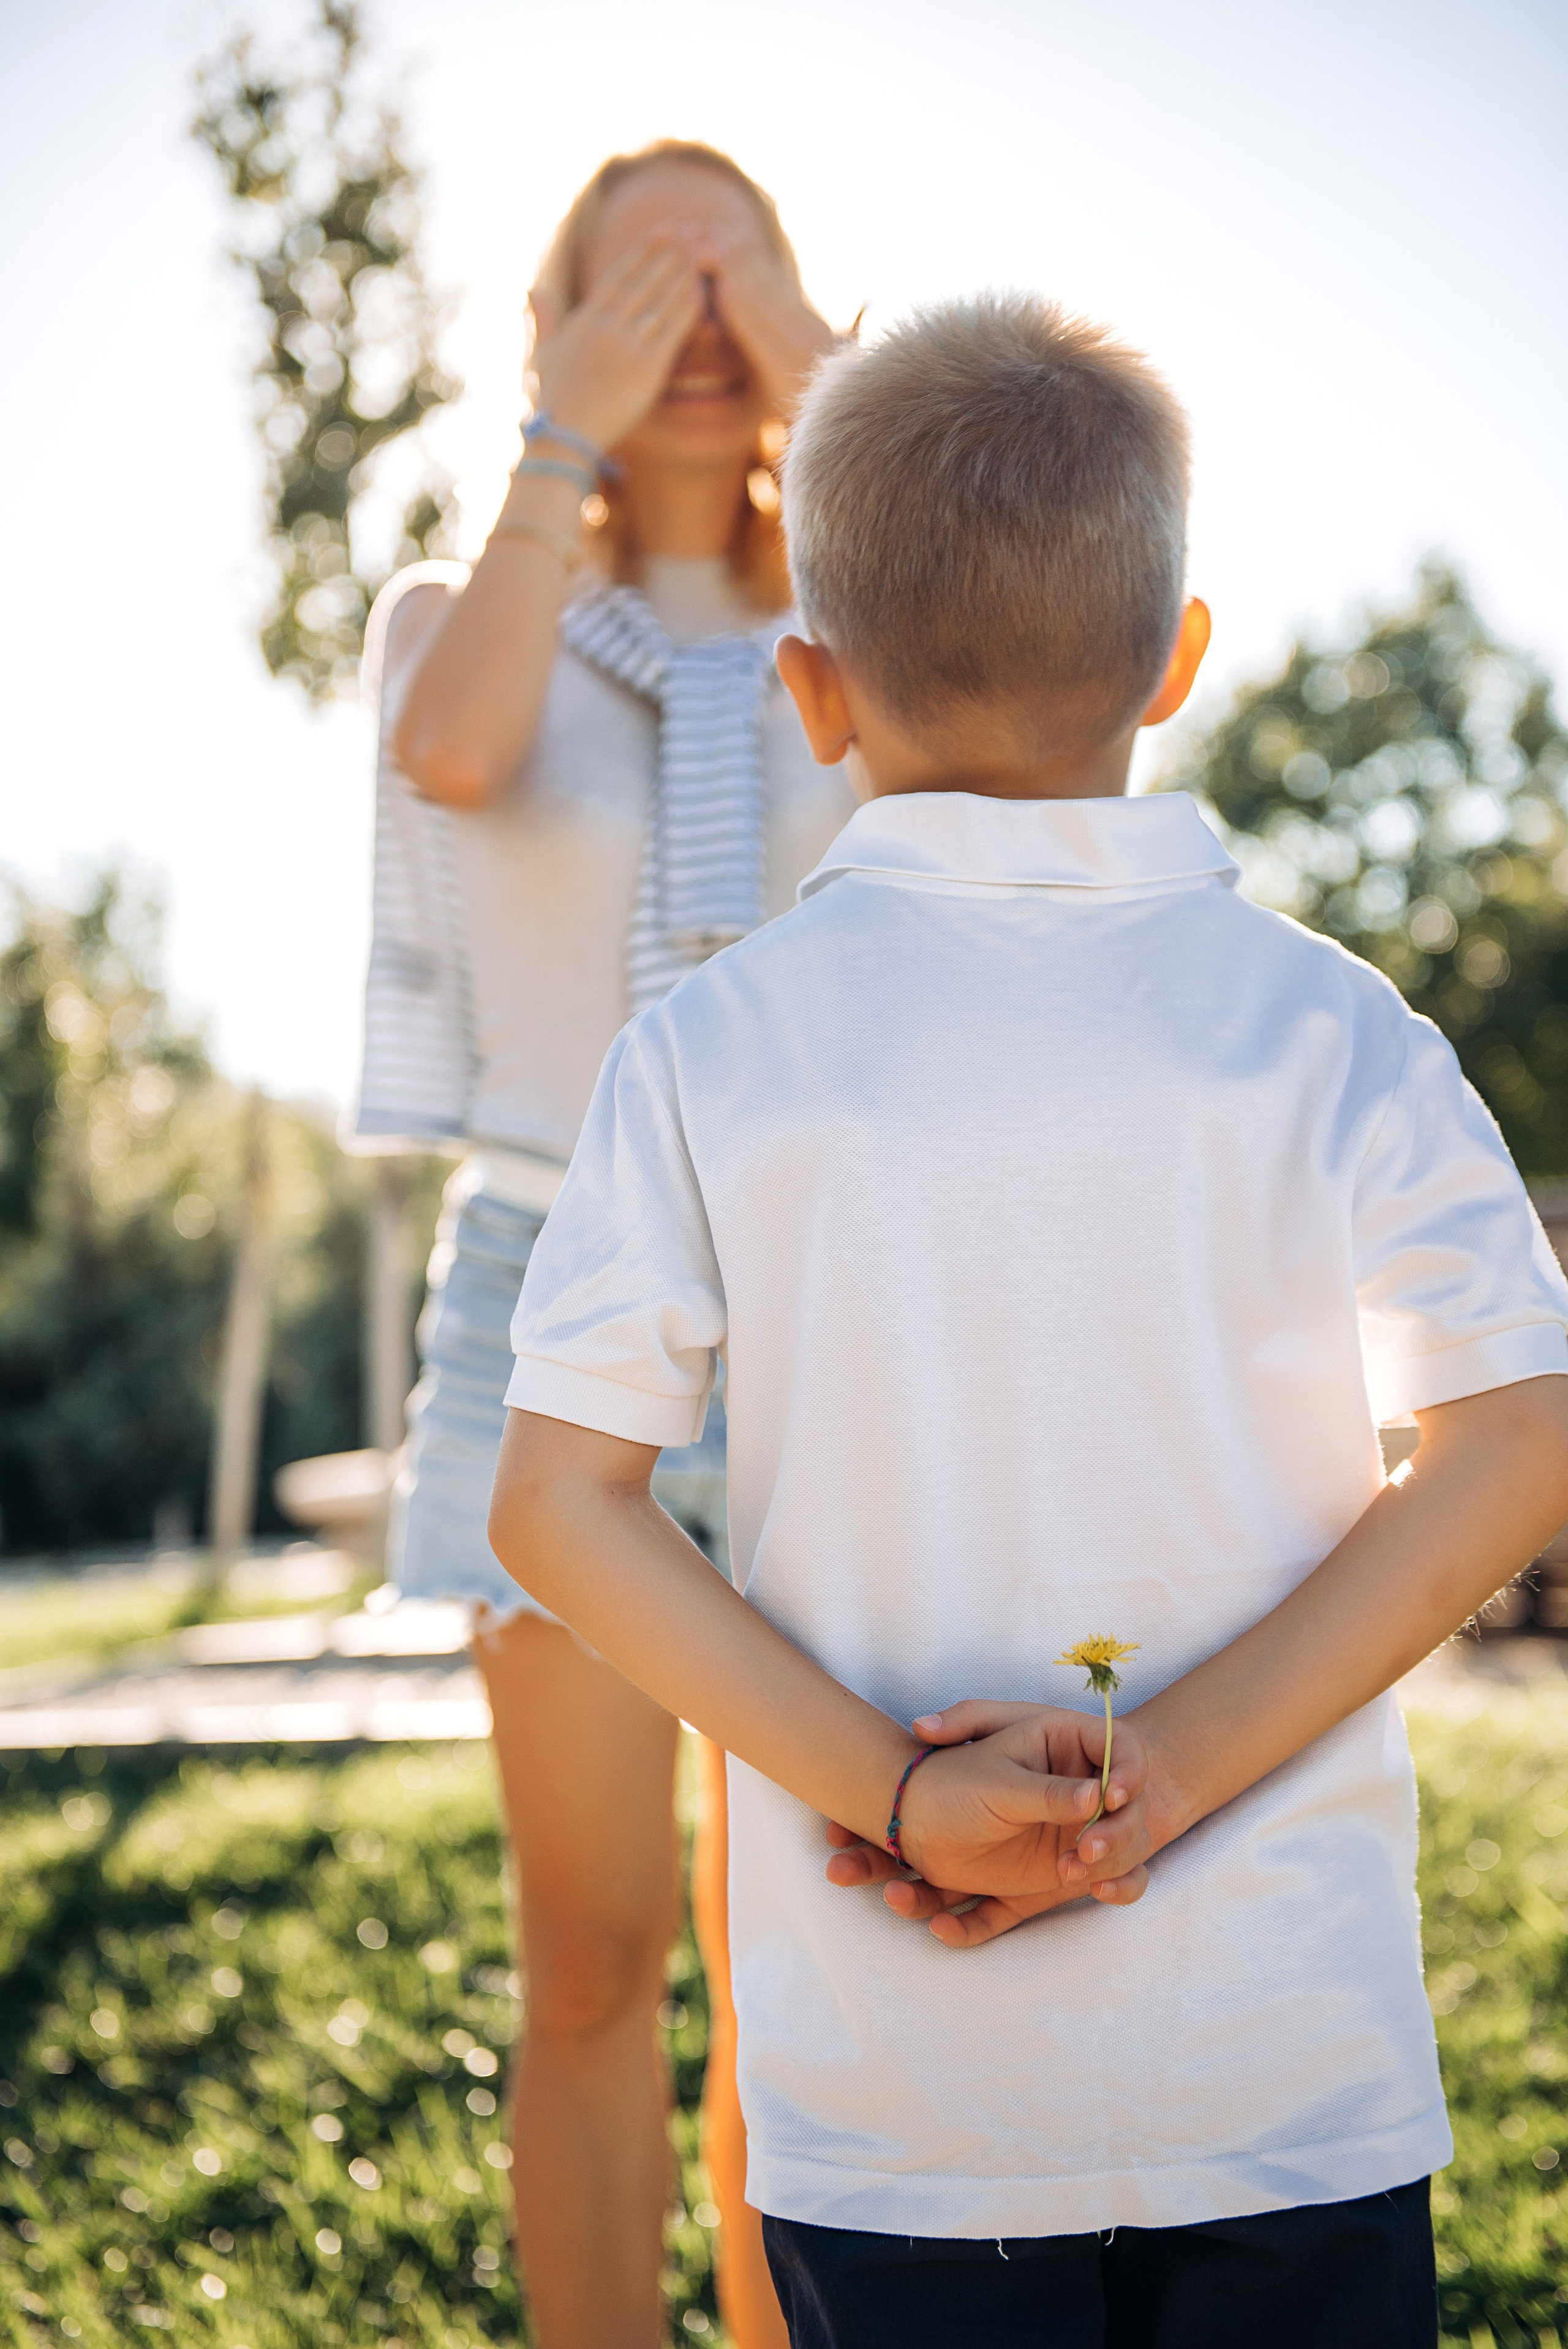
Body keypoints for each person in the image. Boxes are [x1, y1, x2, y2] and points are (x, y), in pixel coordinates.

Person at [486, 293, 1568, 2349]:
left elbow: (559, 1506)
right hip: (1285, 2078)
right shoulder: (1338, 1027)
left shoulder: (713, 1052)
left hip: (900, 2104)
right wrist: (1158, 1775)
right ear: (1178, 660)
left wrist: (891, 1799)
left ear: (814, 690)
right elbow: (1521, 1437)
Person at [355, 141, 852, 2349]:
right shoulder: (463, 628)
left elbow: (1048, 750)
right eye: (638, 277)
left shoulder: (882, 609)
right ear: (552, 322)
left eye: (731, 262)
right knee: (593, 1957)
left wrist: (821, 369)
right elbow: (452, 755)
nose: (695, 310)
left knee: (808, 1970)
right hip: (551, 1308)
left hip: (839, 1313)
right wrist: (565, 436)